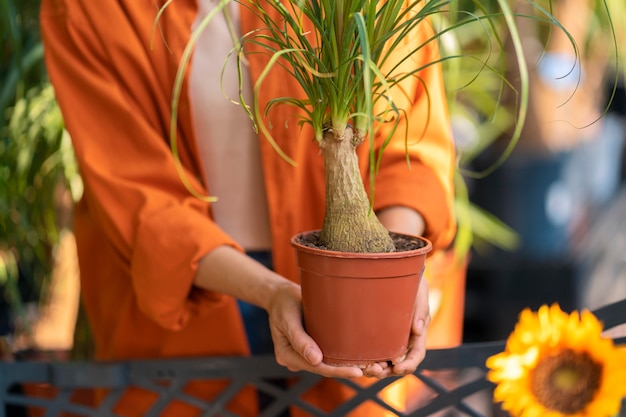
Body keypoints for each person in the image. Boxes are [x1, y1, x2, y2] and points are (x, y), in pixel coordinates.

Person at [39, 0, 457, 415]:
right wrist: (271, 292)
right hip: (188, 299)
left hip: (344, 284)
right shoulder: (91, 9)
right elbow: (137, 195)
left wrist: (395, 271)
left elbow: (411, 148)